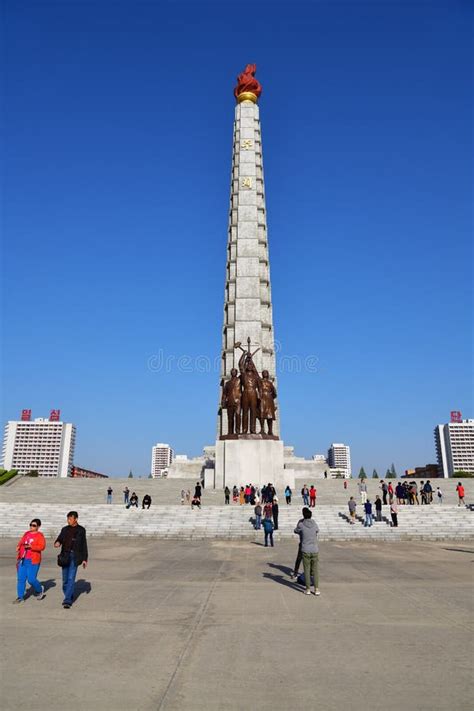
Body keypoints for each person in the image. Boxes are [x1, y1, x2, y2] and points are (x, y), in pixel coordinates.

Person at [54, 511, 88, 609]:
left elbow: (84, 545)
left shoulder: (81, 530)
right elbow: (59, 539)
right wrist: (57, 542)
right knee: (65, 580)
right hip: (65, 556)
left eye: (70, 519)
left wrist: (85, 559)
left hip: (75, 556)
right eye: (68, 519)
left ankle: (67, 600)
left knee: (70, 578)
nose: (68, 521)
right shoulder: (64, 529)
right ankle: (68, 593)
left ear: (76, 519)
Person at [14, 518, 46, 603]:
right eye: (31, 525)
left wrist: (31, 547)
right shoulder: (26, 533)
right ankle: (20, 597)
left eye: (34, 525)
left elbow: (42, 546)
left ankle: (39, 589)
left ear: (38, 526)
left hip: (33, 560)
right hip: (23, 559)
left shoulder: (40, 535)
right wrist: (18, 546)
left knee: (31, 579)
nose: (31, 527)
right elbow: (21, 542)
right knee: (21, 579)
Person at [294, 508, 320, 596]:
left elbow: (296, 530)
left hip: (305, 549)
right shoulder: (314, 523)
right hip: (314, 549)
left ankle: (308, 589)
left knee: (307, 569)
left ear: (303, 515)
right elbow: (317, 530)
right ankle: (316, 589)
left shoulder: (301, 524)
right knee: (315, 570)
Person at [290, 511, 304, 580]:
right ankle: (310, 573)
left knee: (299, 559)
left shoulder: (301, 522)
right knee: (308, 559)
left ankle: (295, 573)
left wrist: (299, 532)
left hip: (303, 543)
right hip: (310, 544)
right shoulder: (312, 522)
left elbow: (296, 530)